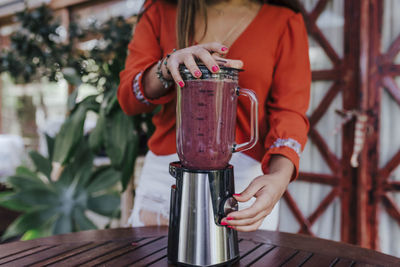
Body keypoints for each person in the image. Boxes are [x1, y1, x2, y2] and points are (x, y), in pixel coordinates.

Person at [118, 0, 311, 232]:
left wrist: (279, 177)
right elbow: (129, 100)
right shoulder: (160, 9)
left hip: (244, 187)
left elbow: (290, 112)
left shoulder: (284, 20)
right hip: (168, 178)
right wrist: (166, 68)